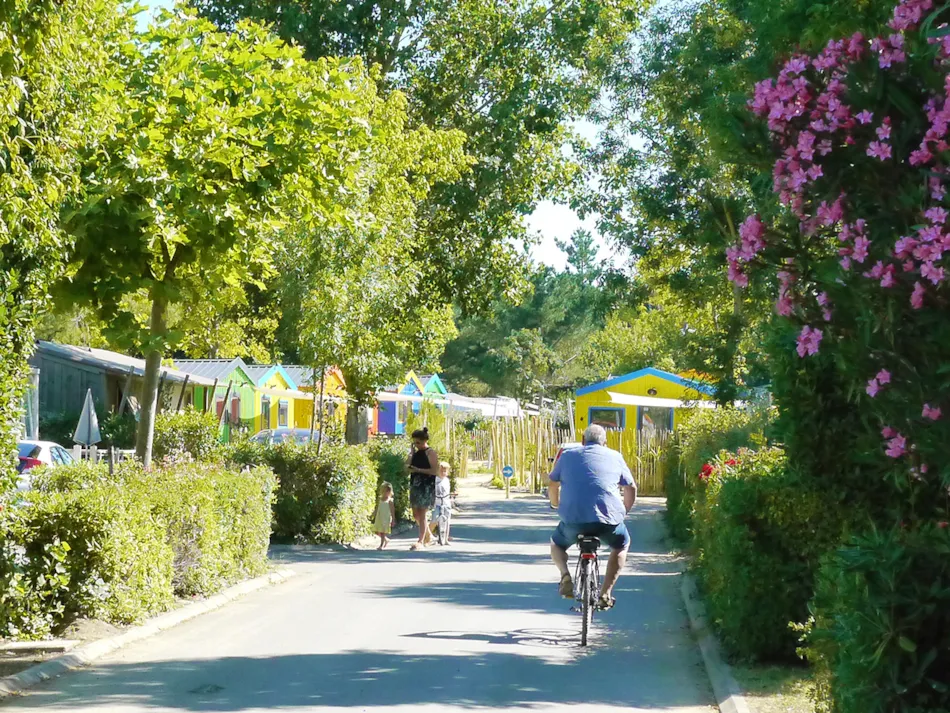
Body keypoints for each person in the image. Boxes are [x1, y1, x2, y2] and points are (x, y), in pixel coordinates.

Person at [548, 424, 637, 610]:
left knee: (556, 543)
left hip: (573, 520)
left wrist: (555, 505)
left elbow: (553, 484)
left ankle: (565, 576)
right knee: (622, 544)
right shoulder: (615, 456)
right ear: (604, 443)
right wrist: (624, 511)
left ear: (582, 440)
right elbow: (631, 487)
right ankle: (605, 593)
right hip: (608, 521)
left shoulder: (567, 456)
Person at [407, 427, 440, 550]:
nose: (416, 445)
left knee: (422, 514)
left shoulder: (430, 453)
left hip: (426, 486)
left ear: (424, 441)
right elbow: (406, 465)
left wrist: (418, 470)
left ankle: (420, 540)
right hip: (415, 484)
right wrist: (411, 453)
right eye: (414, 443)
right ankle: (429, 536)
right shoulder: (415, 453)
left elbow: (434, 470)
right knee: (415, 514)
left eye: (418, 443)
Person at [433, 461, 453, 545]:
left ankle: (446, 538)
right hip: (437, 503)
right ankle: (430, 535)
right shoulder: (435, 480)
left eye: (445, 471)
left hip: (446, 502)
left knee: (447, 520)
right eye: (441, 471)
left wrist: (451, 497)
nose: (443, 473)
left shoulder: (447, 480)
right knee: (434, 518)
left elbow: (447, 491)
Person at [373, 482, 396, 550]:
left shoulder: (390, 501)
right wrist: (374, 513)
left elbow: (392, 511)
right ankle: (386, 540)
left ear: (390, 492)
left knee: (383, 532)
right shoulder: (380, 499)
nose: (386, 492)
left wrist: (393, 520)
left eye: (388, 491)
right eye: (385, 491)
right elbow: (377, 507)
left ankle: (381, 545)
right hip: (379, 517)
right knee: (376, 531)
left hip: (386, 518)